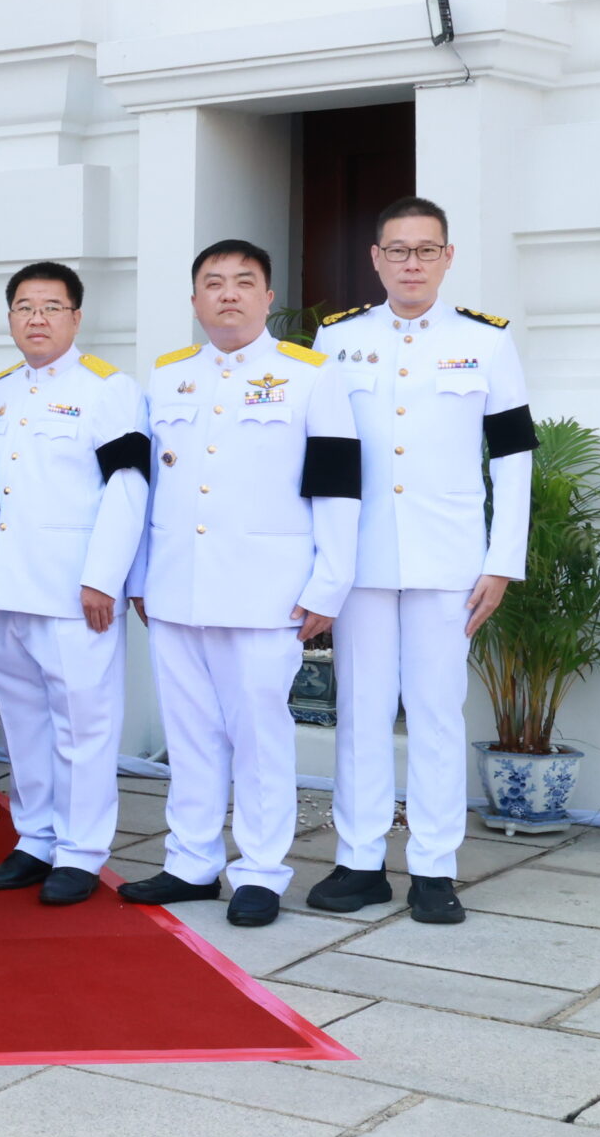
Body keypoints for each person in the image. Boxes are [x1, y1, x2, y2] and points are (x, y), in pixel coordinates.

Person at [120, 242, 361, 927]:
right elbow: (148, 484)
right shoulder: (168, 375)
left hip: (266, 591)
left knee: (260, 737)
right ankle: (191, 862)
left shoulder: (310, 375)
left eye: (244, 282)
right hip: (176, 586)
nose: (228, 294)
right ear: (195, 299)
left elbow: (338, 483)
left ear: (267, 297)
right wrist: (139, 573)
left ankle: (259, 870)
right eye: (214, 283)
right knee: (190, 734)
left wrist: (330, 584)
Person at [307, 198, 533, 925]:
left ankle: (435, 868)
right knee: (361, 712)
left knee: (436, 713)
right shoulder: (338, 337)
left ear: (447, 257)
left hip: (449, 560)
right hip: (361, 558)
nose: (412, 263)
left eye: (426, 250)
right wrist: (322, 561)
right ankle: (360, 860)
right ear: (376, 258)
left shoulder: (486, 341)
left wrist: (502, 560)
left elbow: (513, 456)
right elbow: (319, 452)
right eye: (398, 250)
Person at [0, 262, 149, 907]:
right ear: (10, 318)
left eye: (51, 307)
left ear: (76, 317)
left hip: (76, 593)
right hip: (4, 589)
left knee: (83, 727)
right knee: (23, 726)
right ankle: (35, 839)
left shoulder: (109, 388)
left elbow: (128, 486)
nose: (37, 318)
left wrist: (104, 577)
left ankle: (80, 851)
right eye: (24, 307)